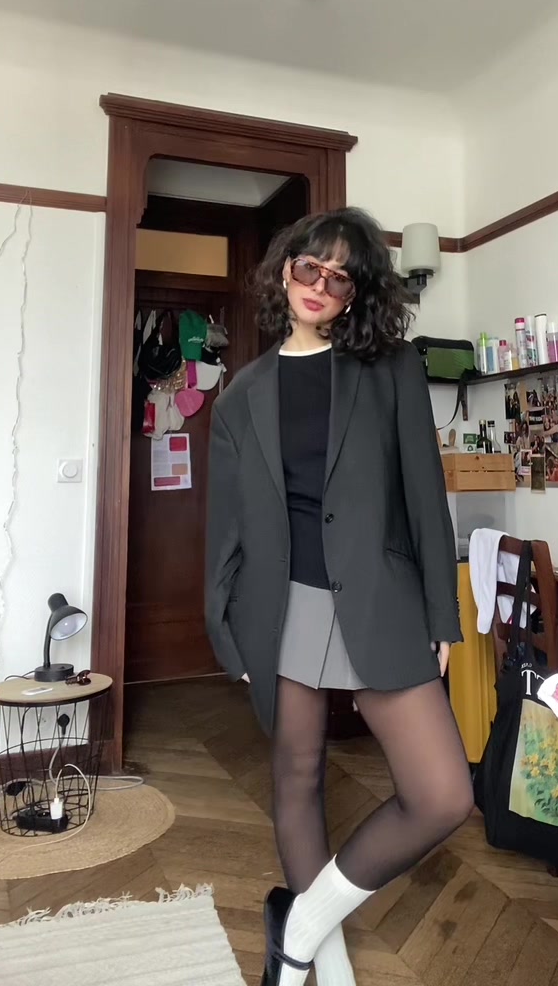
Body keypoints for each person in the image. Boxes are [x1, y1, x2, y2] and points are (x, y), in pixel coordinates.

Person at [205, 208, 472, 986]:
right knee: (298, 779)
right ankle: (325, 971)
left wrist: (442, 612)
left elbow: (424, 498)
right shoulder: (240, 397)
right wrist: (225, 629)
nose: (320, 284)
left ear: (358, 293)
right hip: (279, 606)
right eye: (308, 267)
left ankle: (296, 927)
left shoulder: (390, 369)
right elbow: (226, 529)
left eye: (340, 276)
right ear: (284, 270)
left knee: (441, 794)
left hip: (380, 599)